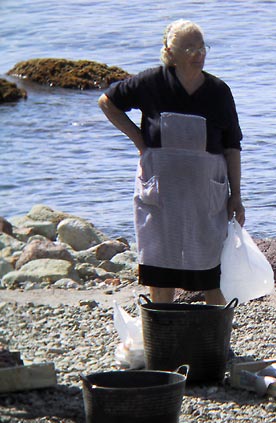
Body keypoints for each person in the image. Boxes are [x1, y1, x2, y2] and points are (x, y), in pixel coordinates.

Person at [98, 19, 244, 305]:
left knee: (209, 276)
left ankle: (215, 344)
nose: (197, 53)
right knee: (159, 276)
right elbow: (107, 102)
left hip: (206, 200)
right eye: (189, 47)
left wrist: (236, 195)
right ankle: (161, 344)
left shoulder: (218, 92)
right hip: (160, 198)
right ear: (170, 51)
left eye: (202, 46)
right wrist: (139, 140)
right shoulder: (151, 83)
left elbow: (232, 147)